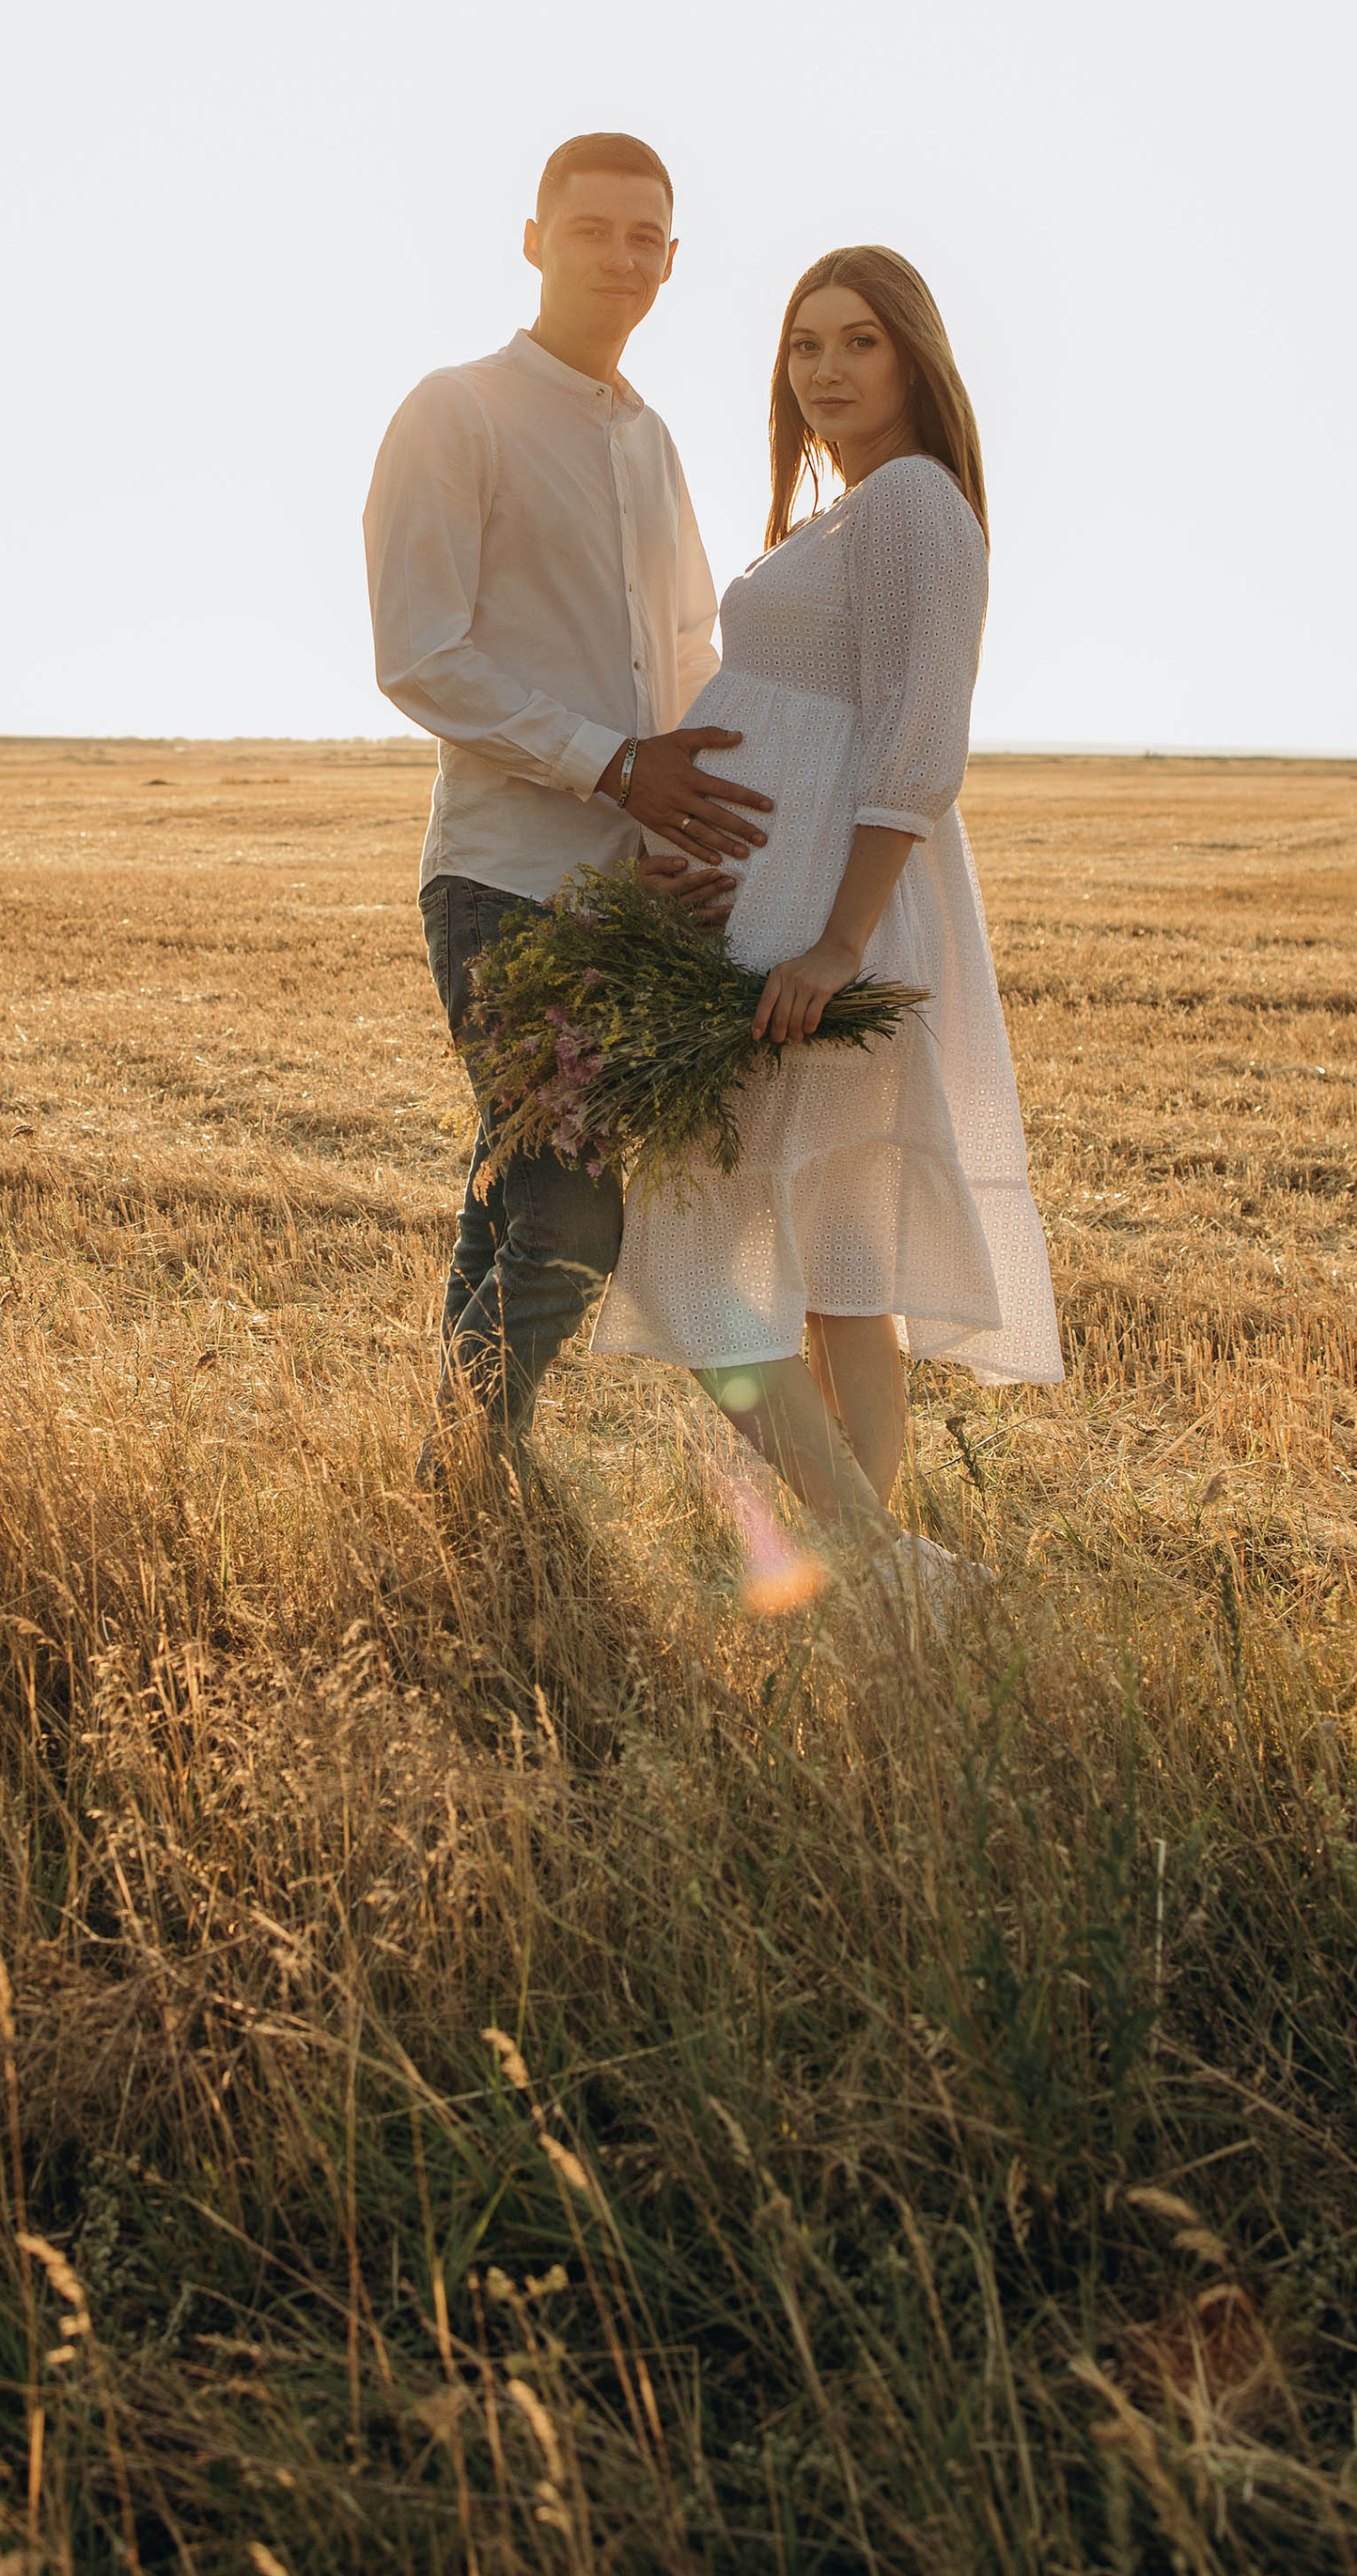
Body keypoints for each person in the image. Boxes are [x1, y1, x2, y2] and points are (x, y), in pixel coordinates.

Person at [590, 243, 1063, 1613]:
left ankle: (870, 1560)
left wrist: (838, 946)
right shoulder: (844, 517)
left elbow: (918, 745)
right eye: (806, 348)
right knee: (845, 1277)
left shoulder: (914, 504)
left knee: (694, 1266)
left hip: (818, 924)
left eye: (859, 341)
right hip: (766, 906)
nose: (829, 370)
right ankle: (893, 1592)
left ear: (914, 357)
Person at [364, 131, 770, 1473]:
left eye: (645, 236)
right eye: (592, 230)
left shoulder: (650, 441)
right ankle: (472, 1467)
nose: (621, 257)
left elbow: (692, 652)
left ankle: (461, 1473)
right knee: (577, 1207)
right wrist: (611, 768)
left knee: (520, 1189)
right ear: (534, 241)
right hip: (502, 878)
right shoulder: (456, 411)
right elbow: (422, 655)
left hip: (626, 891)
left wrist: (677, 828)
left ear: (673, 260)